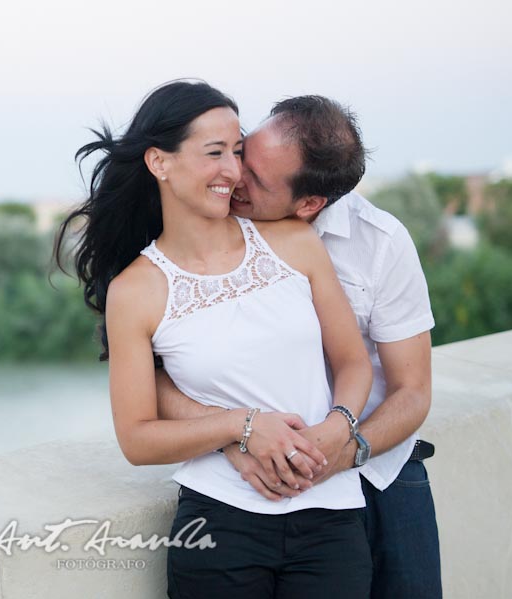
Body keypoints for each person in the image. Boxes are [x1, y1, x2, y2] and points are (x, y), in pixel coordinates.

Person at [55, 81, 373, 597]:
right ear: (159, 162)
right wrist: (243, 428)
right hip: (220, 527)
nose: (233, 170)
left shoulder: (294, 241)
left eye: (238, 150)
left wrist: (339, 428)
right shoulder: (135, 291)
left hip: (331, 516)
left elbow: (353, 363)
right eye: (215, 152)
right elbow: (137, 438)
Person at [156, 95, 442, 598]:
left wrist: (339, 449)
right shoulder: (201, 225)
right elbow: (155, 373)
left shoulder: (379, 244)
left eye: (257, 180)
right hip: (249, 479)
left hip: (378, 464)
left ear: (309, 205)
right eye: (242, 152)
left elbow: (413, 391)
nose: (234, 176)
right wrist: (232, 437)